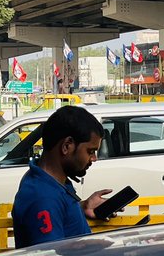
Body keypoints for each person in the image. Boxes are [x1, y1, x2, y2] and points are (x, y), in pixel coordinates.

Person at [12, 106, 112, 248]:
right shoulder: (43, 197)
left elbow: (57, 214)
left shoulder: (49, 181)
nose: (94, 158)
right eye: (90, 151)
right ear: (67, 146)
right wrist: (94, 246)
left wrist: (82, 206)